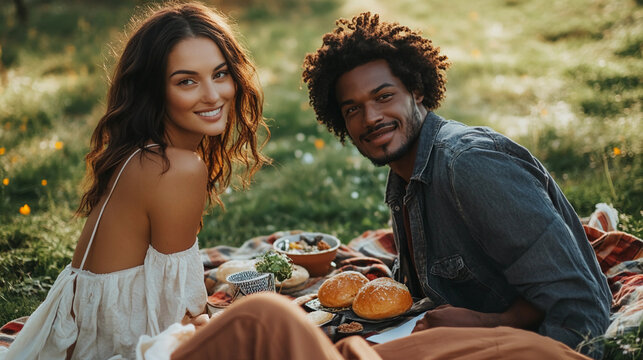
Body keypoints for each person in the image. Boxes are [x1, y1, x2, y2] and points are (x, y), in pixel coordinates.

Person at [301, 12, 611, 358]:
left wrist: (485, 325)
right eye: (352, 109)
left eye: (383, 96)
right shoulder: (403, 182)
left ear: (416, 90)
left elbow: (578, 302)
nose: (370, 117)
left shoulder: (469, 166)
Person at [0, 2, 269, 359]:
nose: (212, 95)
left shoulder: (141, 153)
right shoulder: (177, 167)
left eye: (220, 74)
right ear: (154, 90)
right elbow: (183, 317)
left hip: (82, 334)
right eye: (187, 81)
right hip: (112, 347)